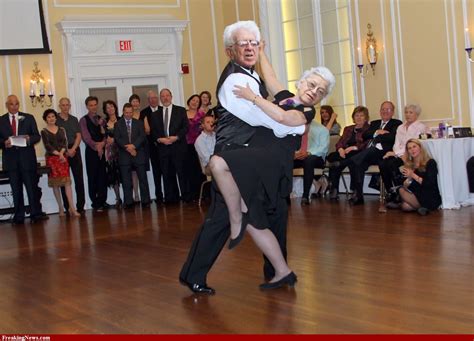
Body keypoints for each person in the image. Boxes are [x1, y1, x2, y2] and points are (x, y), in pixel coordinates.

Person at [179, 20, 334, 294]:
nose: (313, 91)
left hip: (268, 168)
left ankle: (278, 272)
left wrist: (256, 98)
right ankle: (197, 274)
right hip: (245, 163)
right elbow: (272, 83)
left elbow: (280, 117)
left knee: (269, 219)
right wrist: (262, 52)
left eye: (319, 91)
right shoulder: (248, 83)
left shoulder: (298, 109)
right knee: (228, 218)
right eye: (311, 84)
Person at [344, 101, 402, 205]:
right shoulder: (375, 123)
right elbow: (365, 135)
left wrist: (376, 135)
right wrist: (377, 132)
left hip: (383, 153)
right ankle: (359, 197)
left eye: (388, 109)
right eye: (383, 109)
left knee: (367, 153)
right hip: (369, 155)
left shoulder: (397, 123)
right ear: (380, 111)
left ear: (392, 112)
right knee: (359, 164)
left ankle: (347, 162)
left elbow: (391, 137)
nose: (385, 111)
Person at [0, 95, 45, 224]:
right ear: (6, 105)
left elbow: (37, 136)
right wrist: (5, 143)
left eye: (16, 104)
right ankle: (18, 216)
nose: (14, 106)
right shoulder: (1, 120)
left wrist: (28, 139)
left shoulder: (28, 117)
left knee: (31, 188)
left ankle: (35, 213)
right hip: (11, 161)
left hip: (27, 160)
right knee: (16, 189)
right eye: (11, 104)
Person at [379, 104, 429, 207]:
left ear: (417, 114)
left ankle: (399, 193)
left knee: (392, 164)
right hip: (398, 153)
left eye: (411, 112)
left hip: (410, 154)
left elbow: (412, 144)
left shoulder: (420, 126)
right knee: (383, 163)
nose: (408, 115)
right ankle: (391, 192)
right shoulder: (400, 127)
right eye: (406, 112)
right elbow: (396, 143)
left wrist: (396, 153)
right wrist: (396, 153)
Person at [149, 88, 190, 203]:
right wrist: (159, 139)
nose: (165, 98)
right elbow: (153, 132)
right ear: (160, 99)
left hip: (178, 147)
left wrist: (176, 137)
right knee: (167, 174)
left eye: (167, 95)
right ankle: (172, 198)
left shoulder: (180, 110)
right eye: (163, 96)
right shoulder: (155, 114)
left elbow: (185, 127)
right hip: (163, 149)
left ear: (171, 97)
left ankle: (186, 196)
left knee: (181, 173)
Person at [41, 109, 80, 217]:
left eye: (53, 116)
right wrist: (59, 154)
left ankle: (72, 208)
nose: (51, 119)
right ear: (45, 119)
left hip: (63, 158)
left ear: (55, 118)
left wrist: (62, 154)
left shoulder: (61, 129)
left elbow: (64, 143)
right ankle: (60, 207)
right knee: (56, 184)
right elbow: (48, 146)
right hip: (52, 159)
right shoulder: (44, 131)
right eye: (49, 117)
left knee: (67, 183)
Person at [327, 106, 370, 200]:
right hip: (344, 152)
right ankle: (334, 189)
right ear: (353, 117)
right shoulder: (348, 128)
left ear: (366, 117)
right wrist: (340, 149)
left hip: (358, 152)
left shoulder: (369, 129)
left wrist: (354, 147)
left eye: (361, 115)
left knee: (352, 161)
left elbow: (367, 144)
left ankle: (354, 190)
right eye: (356, 115)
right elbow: (340, 142)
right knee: (332, 157)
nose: (358, 117)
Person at [114, 103, 151, 209]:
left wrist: (134, 146)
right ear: (123, 112)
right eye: (127, 112)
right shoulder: (118, 124)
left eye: (131, 112)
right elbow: (118, 138)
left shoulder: (139, 123)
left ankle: (145, 200)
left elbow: (142, 136)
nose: (129, 114)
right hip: (124, 155)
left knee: (143, 179)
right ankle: (129, 202)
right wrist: (129, 148)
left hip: (138, 154)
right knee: (126, 180)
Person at [57, 97, 86, 214]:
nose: (65, 107)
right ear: (60, 106)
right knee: (64, 180)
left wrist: (73, 149)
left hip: (75, 150)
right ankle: (68, 207)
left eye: (67, 105)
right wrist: (65, 150)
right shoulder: (55, 120)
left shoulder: (74, 119)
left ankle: (80, 206)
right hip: (62, 152)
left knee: (79, 179)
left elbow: (78, 135)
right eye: (63, 105)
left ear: (70, 106)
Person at [79, 96, 108, 212]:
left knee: (103, 176)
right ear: (87, 106)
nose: (93, 107)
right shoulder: (83, 120)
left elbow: (106, 134)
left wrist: (102, 144)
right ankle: (95, 203)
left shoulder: (102, 119)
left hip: (102, 150)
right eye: (91, 105)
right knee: (93, 177)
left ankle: (103, 200)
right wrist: (97, 146)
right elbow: (86, 137)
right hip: (91, 152)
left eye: (95, 104)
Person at [398, 139, 441, 215]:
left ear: (420, 148)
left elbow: (429, 184)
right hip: (416, 194)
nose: (412, 150)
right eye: (409, 148)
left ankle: (424, 207)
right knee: (405, 205)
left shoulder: (430, 162)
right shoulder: (410, 165)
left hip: (429, 194)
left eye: (414, 147)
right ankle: (422, 208)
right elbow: (405, 185)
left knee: (402, 193)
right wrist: (409, 179)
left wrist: (413, 175)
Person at [293, 120, 330, 204]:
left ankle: (305, 196)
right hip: (300, 156)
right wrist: (294, 154)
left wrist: (308, 153)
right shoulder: (296, 128)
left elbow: (323, 148)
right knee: (285, 160)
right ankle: (285, 197)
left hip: (317, 157)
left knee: (308, 160)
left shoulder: (322, 129)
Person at [140, 90, 163, 203]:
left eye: (155, 98)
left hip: (165, 146)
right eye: (151, 98)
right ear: (148, 100)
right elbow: (144, 131)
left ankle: (170, 194)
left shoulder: (164, 110)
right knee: (156, 172)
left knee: (168, 171)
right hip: (152, 147)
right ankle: (158, 195)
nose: (153, 100)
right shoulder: (143, 113)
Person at [185, 94, 207, 200]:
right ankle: (192, 194)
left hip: (200, 145)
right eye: (193, 100)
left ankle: (203, 194)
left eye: (197, 101)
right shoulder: (182, 114)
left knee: (200, 169)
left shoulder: (202, 114)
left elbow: (206, 127)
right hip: (187, 146)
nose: (194, 102)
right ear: (189, 101)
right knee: (189, 170)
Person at [103, 100, 122, 207]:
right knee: (114, 176)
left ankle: (130, 197)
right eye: (107, 107)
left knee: (125, 175)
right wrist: (106, 141)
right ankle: (118, 199)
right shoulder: (103, 123)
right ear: (105, 110)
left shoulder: (121, 120)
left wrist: (115, 139)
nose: (110, 108)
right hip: (110, 154)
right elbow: (101, 137)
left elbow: (124, 135)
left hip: (121, 151)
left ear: (115, 107)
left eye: (111, 106)